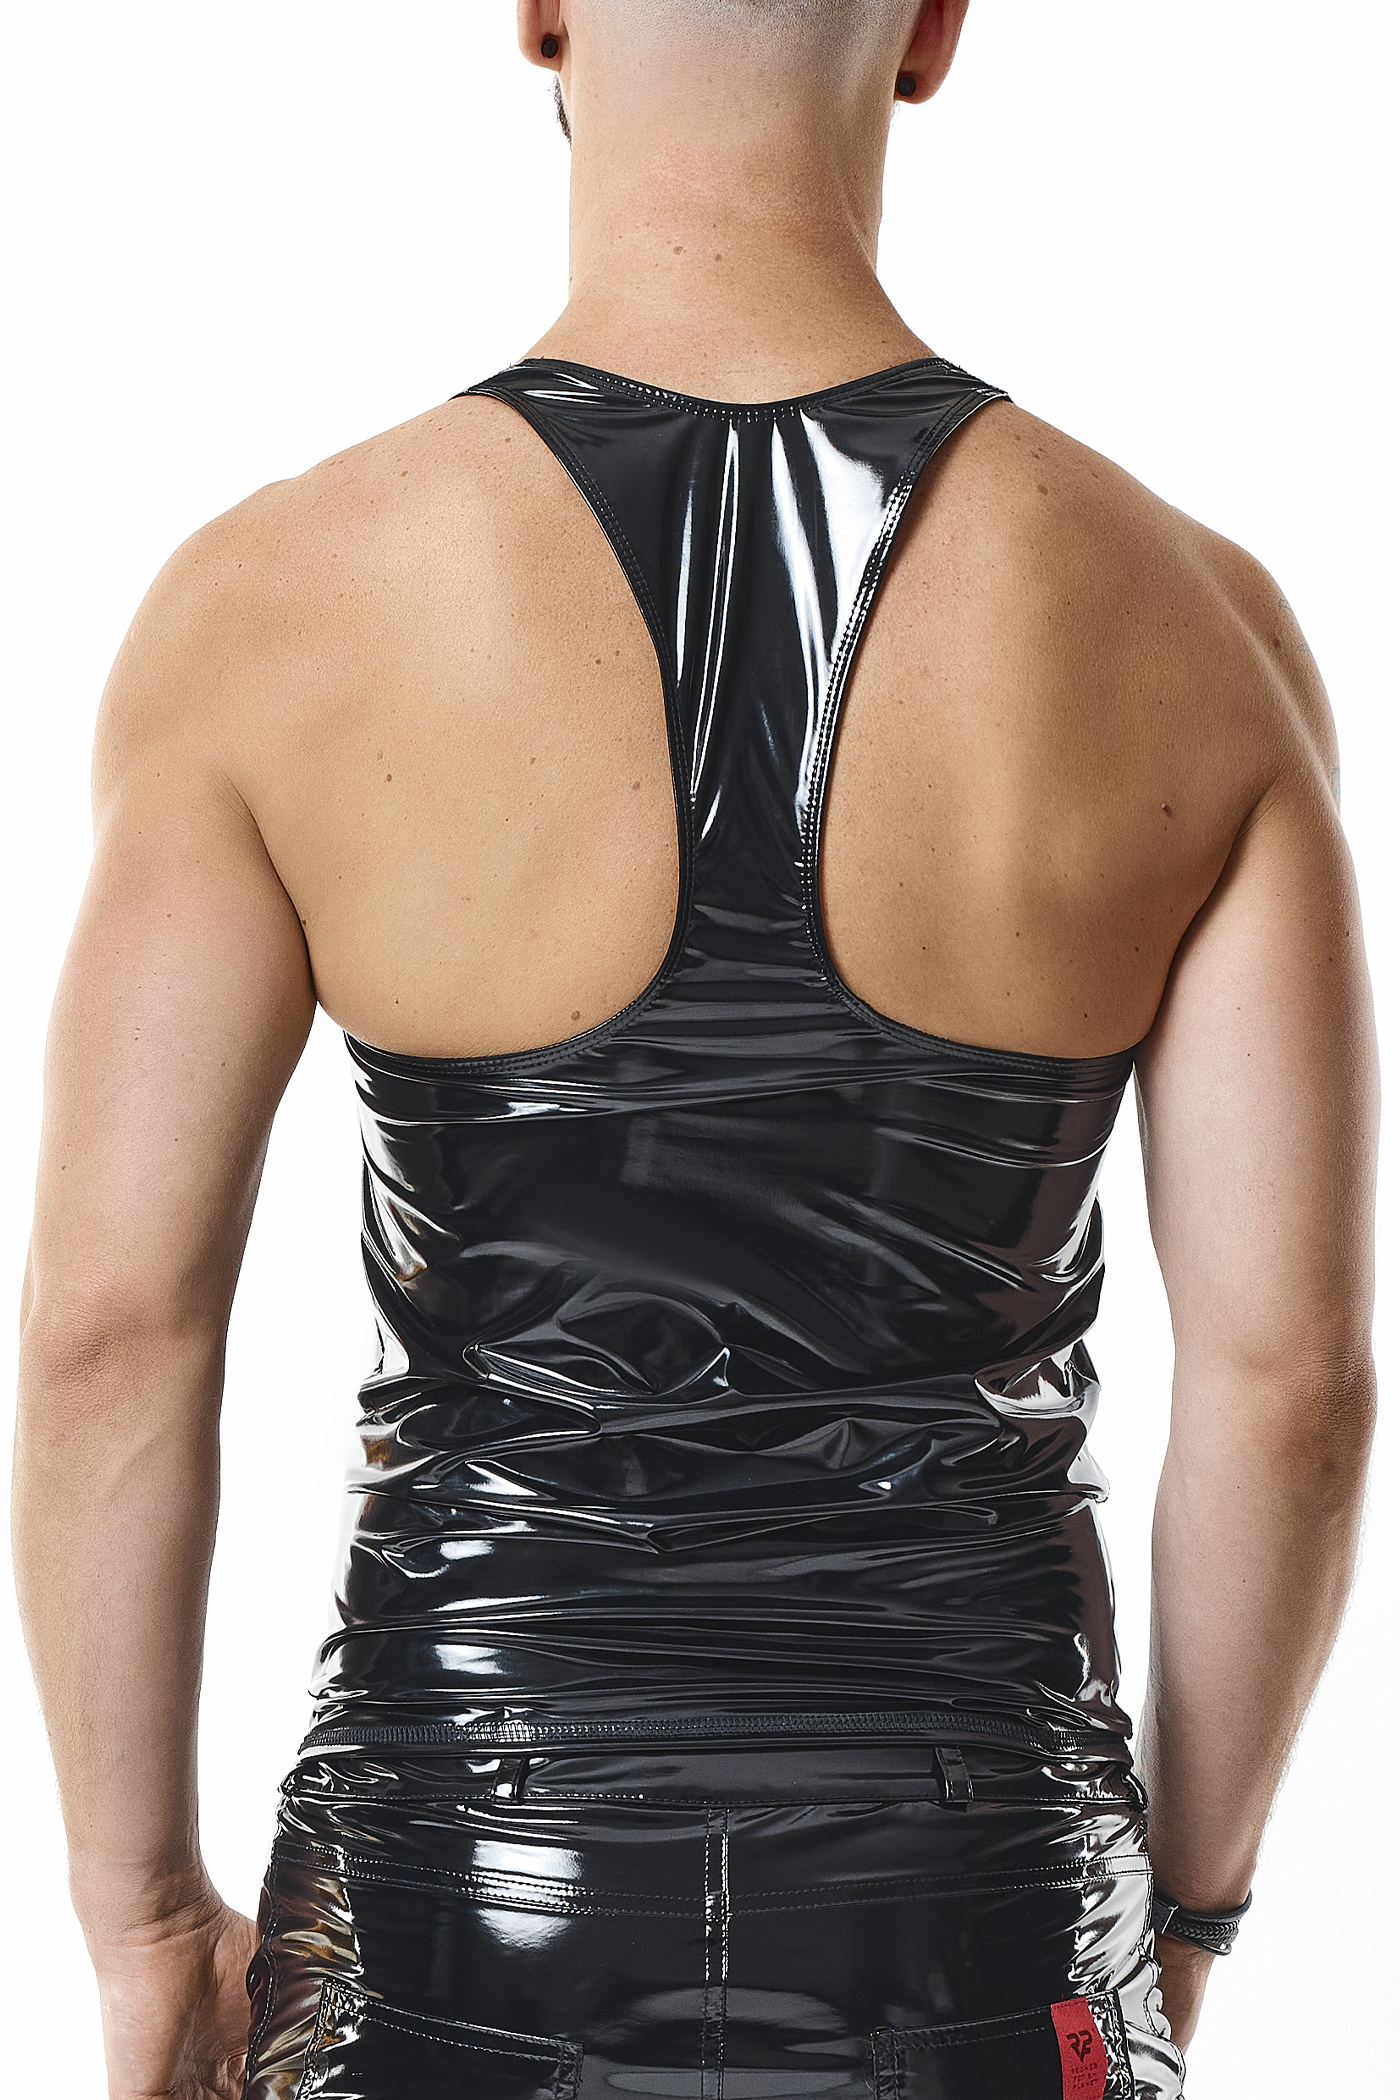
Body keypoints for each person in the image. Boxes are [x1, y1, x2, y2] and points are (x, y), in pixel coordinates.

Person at [12, 3, 1378, 2096]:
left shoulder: (272, 603)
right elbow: (1293, 1387)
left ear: (542, 9)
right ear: (930, 32)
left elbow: (109, 1328)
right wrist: (1177, 1916)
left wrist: (139, 1927)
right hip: (974, 1906)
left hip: (456, 1900)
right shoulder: (1193, 624)